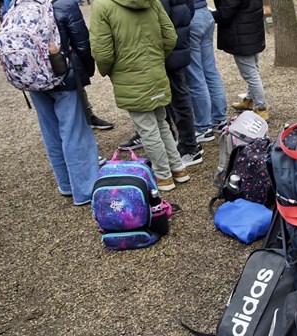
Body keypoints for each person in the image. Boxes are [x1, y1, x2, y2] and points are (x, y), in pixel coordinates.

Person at [90, 0, 189, 192]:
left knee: (148, 128)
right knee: (161, 123)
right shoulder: (152, 1)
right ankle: (178, 168)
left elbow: (103, 53)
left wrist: (111, 70)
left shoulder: (102, 6)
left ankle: (163, 175)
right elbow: (170, 36)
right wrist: (156, 58)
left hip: (129, 74)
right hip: (155, 70)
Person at [29, 0, 100, 205]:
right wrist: (86, 71)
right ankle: (85, 188)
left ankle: (66, 184)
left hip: (34, 78)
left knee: (50, 131)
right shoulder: (63, 4)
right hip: (62, 73)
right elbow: (82, 42)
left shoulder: (17, 5)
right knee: (74, 131)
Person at [118, 0, 203, 168]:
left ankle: (188, 147)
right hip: (174, 42)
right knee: (174, 96)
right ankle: (180, 144)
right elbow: (188, 10)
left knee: (176, 97)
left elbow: (154, 19)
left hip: (165, 46)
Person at [212, 0, 270, 122]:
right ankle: (249, 99)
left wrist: (208, 15)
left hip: (243, 37)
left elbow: (224, 14)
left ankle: (261, 108)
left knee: (250, 74)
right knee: (253, 69)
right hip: (252, 33)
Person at [185, 0, 227, 142]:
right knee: (210, 70)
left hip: (191, 17)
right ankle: (220, 119)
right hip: (205, 13)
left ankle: (203, 127)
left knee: (195, 75)